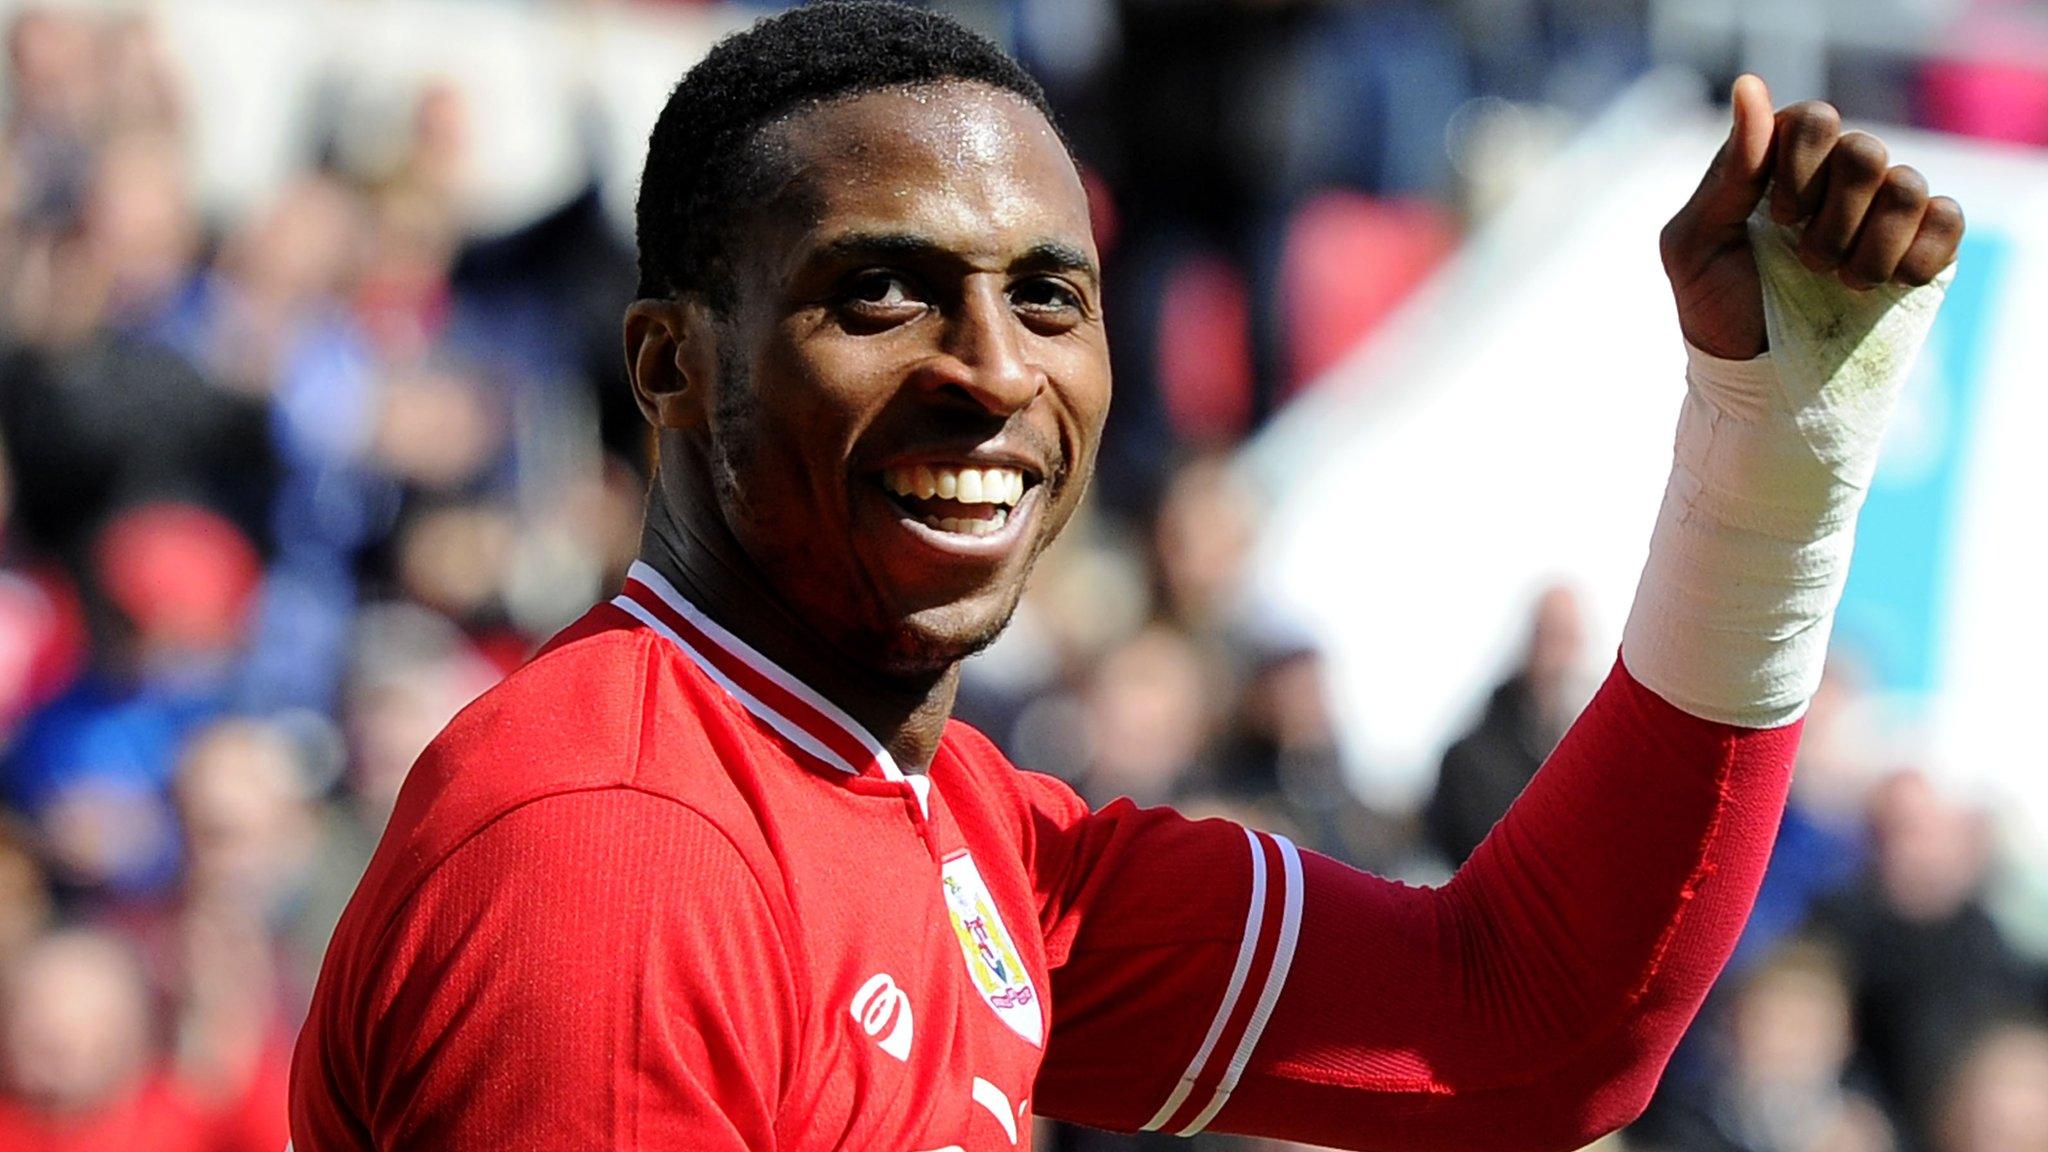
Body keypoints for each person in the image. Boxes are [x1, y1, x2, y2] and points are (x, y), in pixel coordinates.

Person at [288, 4, 1966, 1150]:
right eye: (881, 295)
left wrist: (1776, 455)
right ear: (666, 365)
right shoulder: (614, 856)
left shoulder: (970, 831)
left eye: (1050, 296)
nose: (993, 369)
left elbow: (1525, 1026)